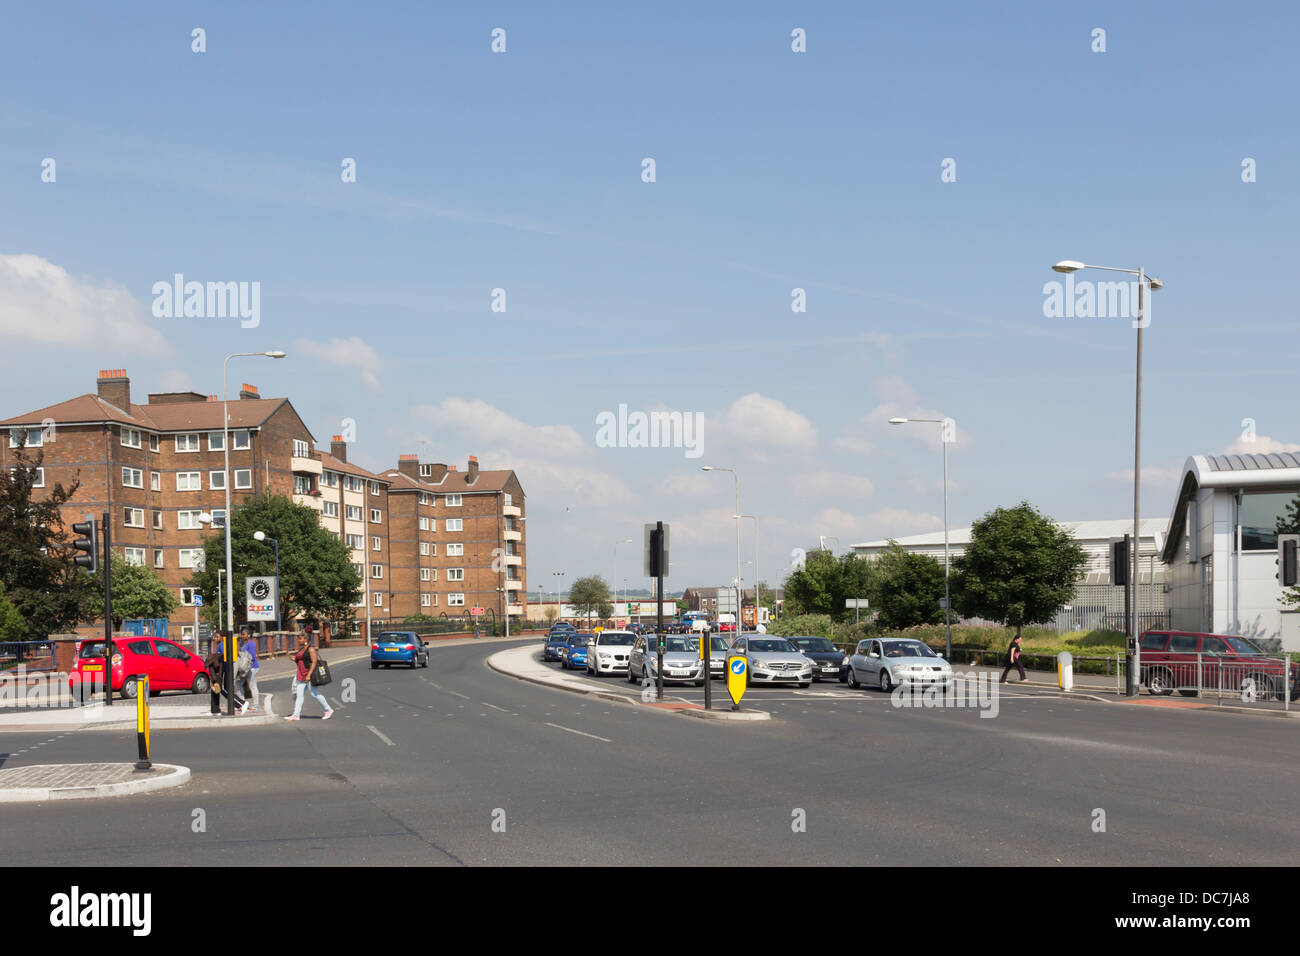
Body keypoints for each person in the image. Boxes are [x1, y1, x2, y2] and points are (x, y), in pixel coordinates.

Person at [286, 628, 333, 721]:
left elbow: (314, 662)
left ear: (305, 640)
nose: (298, 640)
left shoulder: (311, 649)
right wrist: (293, 659)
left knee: (314, 693)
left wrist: (308, 675)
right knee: (299, 695)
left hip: (308, 675)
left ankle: (328, 709)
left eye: (300, 639)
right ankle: (296, 715)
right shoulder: (302, 649)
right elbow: (300, 660)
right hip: (301, 675)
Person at [204, 631, 248, 715]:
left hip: (224, 671)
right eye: (214, 637)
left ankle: (241, 703)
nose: (215, 638)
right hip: (221, 671)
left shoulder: (222, 645)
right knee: (216, 689)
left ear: (222, 637)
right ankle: (215, 710)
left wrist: (216, 657)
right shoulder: (220, 645)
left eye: (217, 637)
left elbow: (225, 656)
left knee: (223, 689)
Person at [236, 626, 260, 713]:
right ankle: (242, 704)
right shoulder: (245, 644)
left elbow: (252, 657)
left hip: (252, 668)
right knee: (237, 685)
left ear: (249, 635)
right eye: (241, 634)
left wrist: (246, 668)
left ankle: (255, 706)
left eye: (243, 634)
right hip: (244, 669)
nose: (242, 636)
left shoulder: (251, 644)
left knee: (252, 687)